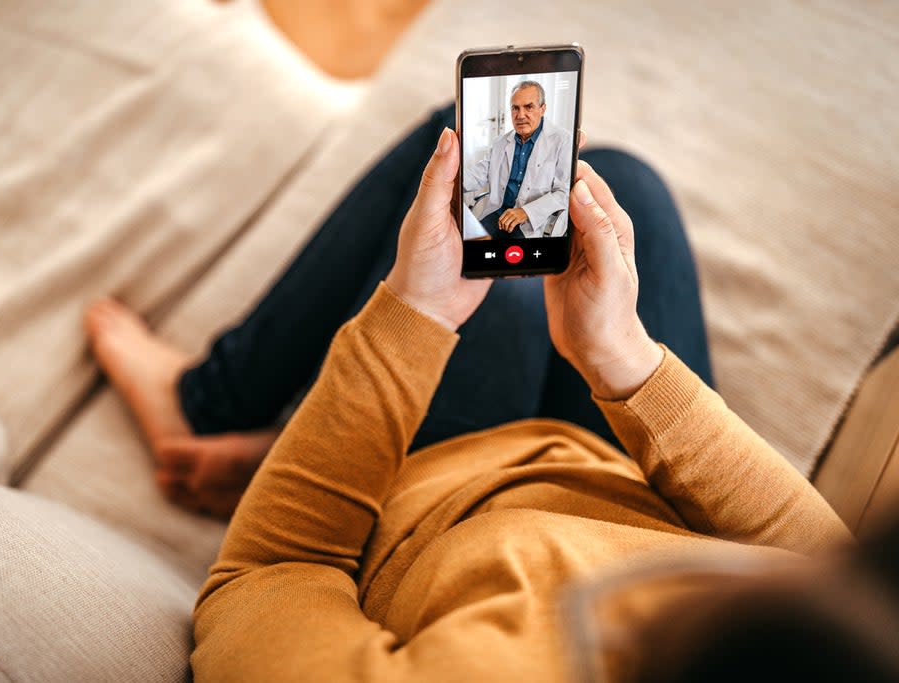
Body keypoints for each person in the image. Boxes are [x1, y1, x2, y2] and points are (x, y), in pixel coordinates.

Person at [84, 106, 853, 680]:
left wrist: (413, 316)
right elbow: (827, 565)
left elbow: (266, 573)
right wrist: (624, 359)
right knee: (627, 192)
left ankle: (213, 404)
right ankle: (274, 445)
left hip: (446, 489)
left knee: (475, 203)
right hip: (634, 472)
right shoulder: (839, 648)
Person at [462, 80, 573, 239]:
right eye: (515, 108)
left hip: (530, 221)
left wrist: (525, 212)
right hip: (498, 214)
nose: (520, 115)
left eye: (529, 107)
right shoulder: (501, 142)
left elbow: (564, 192)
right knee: (471, 245)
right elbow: (479, 173)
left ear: (543, 109)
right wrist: (450, 183)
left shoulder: (563, 140)